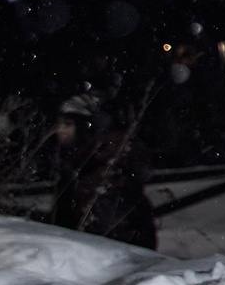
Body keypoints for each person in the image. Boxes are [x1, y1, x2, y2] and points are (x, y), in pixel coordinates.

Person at [48, 93, 156, 249]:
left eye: (68, 124)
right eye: (59, 124)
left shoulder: (106, 163)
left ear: (84, 126)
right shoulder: (78, 159)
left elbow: (108, 230)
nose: (60, 130)